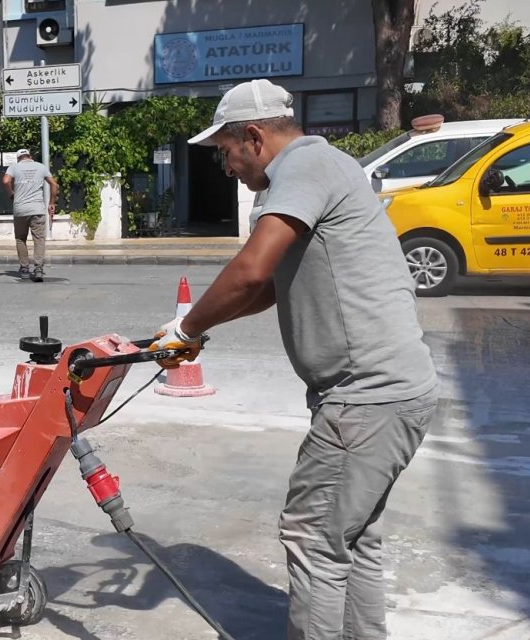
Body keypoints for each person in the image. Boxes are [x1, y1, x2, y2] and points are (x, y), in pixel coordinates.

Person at [148, 79, 438, 640]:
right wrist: (193, 334)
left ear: (253, 137)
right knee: (351, 539)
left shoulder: (303, 168)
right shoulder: (324, 168)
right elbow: (266, 289)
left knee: (313, 539)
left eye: (225, 152)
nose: (225, 167)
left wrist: (187, 324)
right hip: (391, 391)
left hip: (365, 398)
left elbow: (252, 269)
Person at [3, 148, 59, 282]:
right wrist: (51, 203)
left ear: (18, 158)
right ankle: (38, 269)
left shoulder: (14, 167)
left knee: (20, 239)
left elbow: (5, 181)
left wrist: (11, 194)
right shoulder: (41, 167)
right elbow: (54, 185)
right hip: (38, 209)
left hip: (20, 209)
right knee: (39, 239)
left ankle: (24, 269)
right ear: (30, 156)